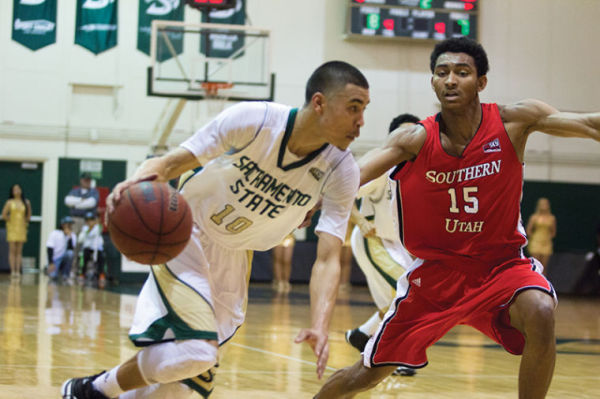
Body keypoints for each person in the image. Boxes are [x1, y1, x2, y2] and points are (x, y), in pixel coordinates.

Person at [62, 60, 369, 399]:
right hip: (185, 234)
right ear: (320, 102)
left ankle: (93, 393)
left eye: (364, 110)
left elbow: (327, 259)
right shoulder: (256, 120)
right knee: (198, 351)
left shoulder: (342, 170)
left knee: (184, 383)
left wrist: (320, 324)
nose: (361, 122)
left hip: (236, 256)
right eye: (353, 108)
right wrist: (135, 180)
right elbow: (169, 164)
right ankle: (97, 389)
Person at [314, 37, 600, 399]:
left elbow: (590, 124)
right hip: (437, 276)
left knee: (541, 310)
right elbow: (353, 174)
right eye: (441, 72)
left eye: (462, 72)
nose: (450, 80)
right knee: (364, 375)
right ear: (433, 81)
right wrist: (311, 198)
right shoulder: (414, 138)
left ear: (481, 81)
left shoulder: (514, 122)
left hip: (501, 267)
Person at [344, 113, 420, 377]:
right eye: (403, 133)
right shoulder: (381, 167)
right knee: (407, 293)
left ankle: (362, 335)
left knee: (398, 299)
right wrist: (359, 221)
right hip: (372, 239)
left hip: (398, 245)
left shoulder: (424, 172)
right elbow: (343, 190)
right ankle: (394, 355)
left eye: (415, 133)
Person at [1, 184, 31, 277]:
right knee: (12, 250)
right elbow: (4, 215)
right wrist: (10, 220)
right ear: (12, 191)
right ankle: (13, 271)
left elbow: (28, 216)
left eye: (18, 189)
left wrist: (24, 222)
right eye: (15, 189)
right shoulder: (9, 202)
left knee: (19, 251)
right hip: (12, 228)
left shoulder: (26, 202)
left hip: (21, 228)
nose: (17, 191)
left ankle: (18, 270)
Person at [526, 197, 557, 272]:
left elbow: (553, 232)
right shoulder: (534, 217)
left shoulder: (552, 218)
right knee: (535, 265)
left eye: (545, 204)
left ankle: (542, 282)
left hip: (546, 243)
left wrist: (547, 238)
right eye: (542, 204)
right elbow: (528, 230)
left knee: (544, 267)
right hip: (535, 242)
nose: (544, 206)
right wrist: (533, 239)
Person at [77, 211, 106, 287]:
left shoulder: (98, 227)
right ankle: (82, 274)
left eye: (91, 220)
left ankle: (101, 274)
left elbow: (99, 228)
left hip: (97, 249)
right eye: (88, 220)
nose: (90, 222)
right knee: (84, 255)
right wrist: (88, 230)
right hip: (88, 249)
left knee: (102, 256)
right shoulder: (84, 229)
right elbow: (80, 239)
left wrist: (98, 220)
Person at [46, 216, 77, 282]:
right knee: (53, 276)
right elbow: (49, 248)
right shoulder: (54, 233)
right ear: (62, 224)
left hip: (64, 259)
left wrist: (69, 237)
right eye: (68, 224)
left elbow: (71, 249)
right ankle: (49, 268)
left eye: (70, 224)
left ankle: (65, 274)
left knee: (70, 254)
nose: (69, 226)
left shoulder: (72, 235)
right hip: (55, 260)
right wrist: (51, 263)